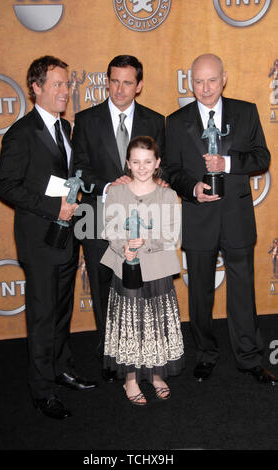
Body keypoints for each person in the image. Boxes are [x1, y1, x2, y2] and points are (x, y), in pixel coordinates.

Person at [165, 53, 277, 384]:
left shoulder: (246, 112)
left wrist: (226, 164)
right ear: (190, 82)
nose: (205, 88)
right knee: (200, 291)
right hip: (198, 217)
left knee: (243, 290)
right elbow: (171, 170)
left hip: (236, 216)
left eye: (212, 80)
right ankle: (206, 353)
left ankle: (249, 358)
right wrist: (192, 188)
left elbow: (262, 156)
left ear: (224, 78)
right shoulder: (175, 120)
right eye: (198, 81)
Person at [0, 56, 97, 420]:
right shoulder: (20, 133)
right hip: (40, 241)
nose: (65, 91)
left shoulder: (67, 128)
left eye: (67, 84)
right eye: (57, 84)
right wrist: (53, 208)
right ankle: (41, 390)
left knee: (61, 312)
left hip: (67, 239)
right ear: (35, 87)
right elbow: (6, 186)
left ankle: (61, 367)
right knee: (42, 317)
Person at [72, 55, 165, 382]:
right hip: (97, 218)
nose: (119, 89)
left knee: (139, 287)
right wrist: (111, 185)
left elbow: (160, 167)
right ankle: (111, 354)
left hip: (142, 223)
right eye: (114, 81)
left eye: (127, 82)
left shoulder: (155, 120)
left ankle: (142, 351)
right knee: (102, 288)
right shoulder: (85, 120)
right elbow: (77, 170)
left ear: (138, 85)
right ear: (107, 80)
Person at [100, 136, 184, 405]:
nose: (142, 167)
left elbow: (171, 234)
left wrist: (145, 242)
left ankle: (158, 374)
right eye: (136, 162)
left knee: (156, 321)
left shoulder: (168, 195)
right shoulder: (115, 192)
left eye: (148, 161)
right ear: (128, 163)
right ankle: (131, 378)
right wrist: (124, 246)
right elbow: (110, 228)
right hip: (125, 266)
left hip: (157, 268)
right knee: (130, 322)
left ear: (157, 163)